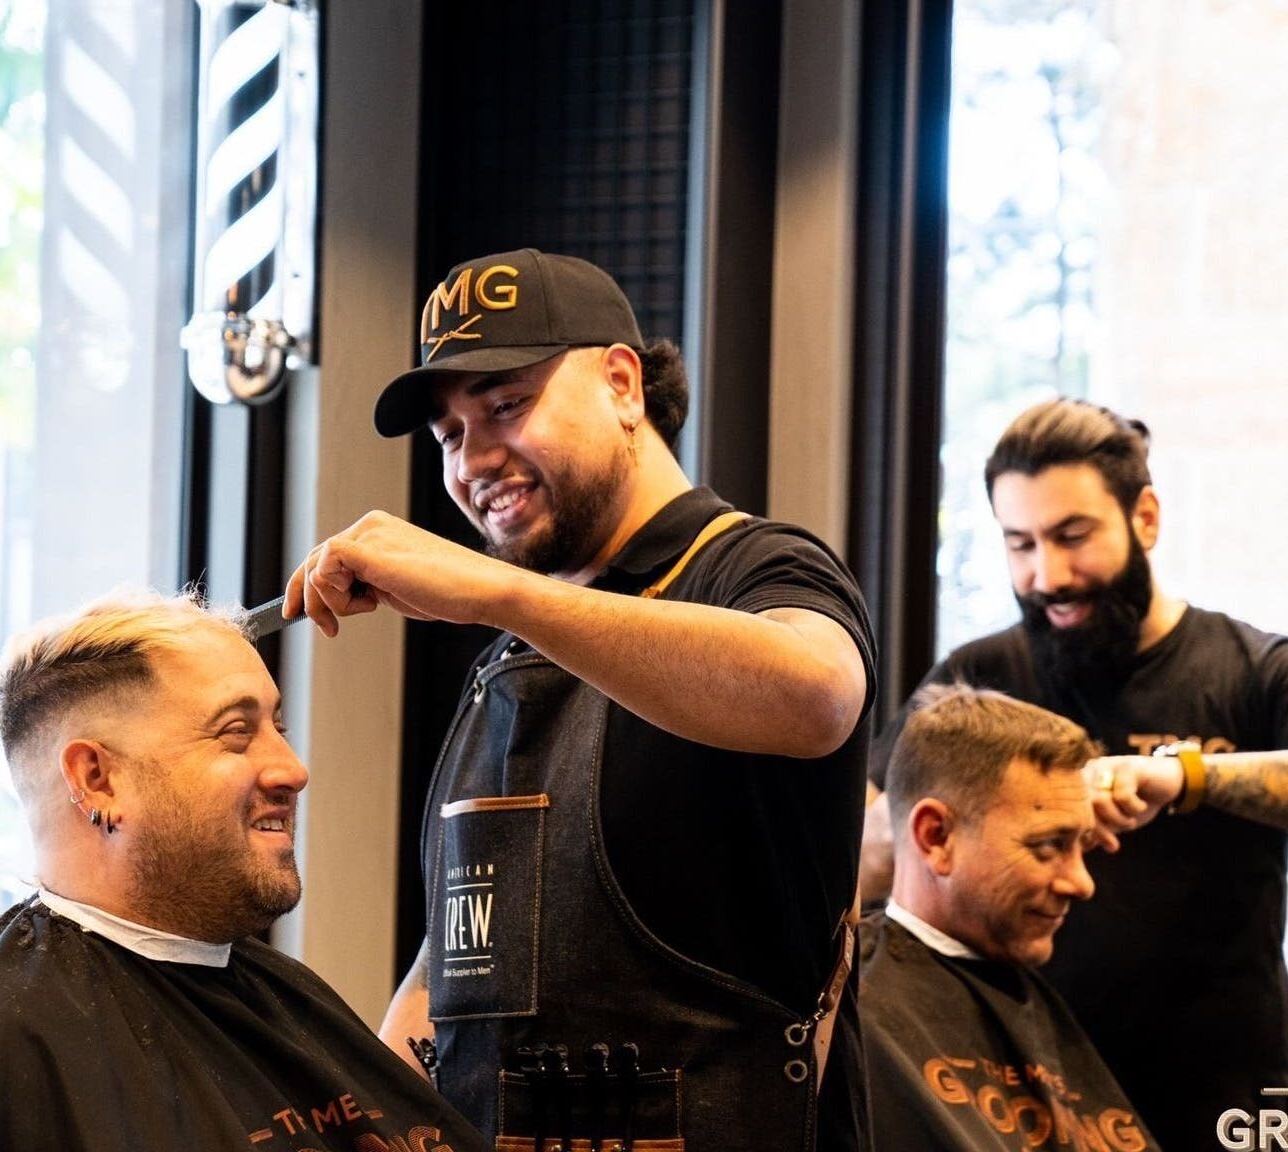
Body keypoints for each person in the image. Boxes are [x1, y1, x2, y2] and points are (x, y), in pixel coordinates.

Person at [285, 249, 877, 1151]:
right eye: (448, 435)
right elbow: (456, 971)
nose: (473, 459)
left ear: (622, 384)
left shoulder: (754, 567)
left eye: (506, 405)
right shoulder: (510, 654)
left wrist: (500, 593)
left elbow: (818, 695)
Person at [860, 398, 1288, 1149]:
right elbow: (872, 845)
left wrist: (1185, 777)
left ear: (1145, 519)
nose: (1047, 575)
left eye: (1072, 537)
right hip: (1023, 1094)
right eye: (1020, 544)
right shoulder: (980, 678)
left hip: (1220, 1105)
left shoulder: (1249, 671)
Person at [0, 590, 488, 1152]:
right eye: (236, 732)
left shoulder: (279, 991)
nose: (292, 769)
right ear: (97, 779)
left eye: (278, 727)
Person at [861, 684, 1161, 1152]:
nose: (1082, 883)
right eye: (1048, 846)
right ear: (936, 837)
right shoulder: (849, 1010)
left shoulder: (1034, 996)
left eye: (1082, 845)